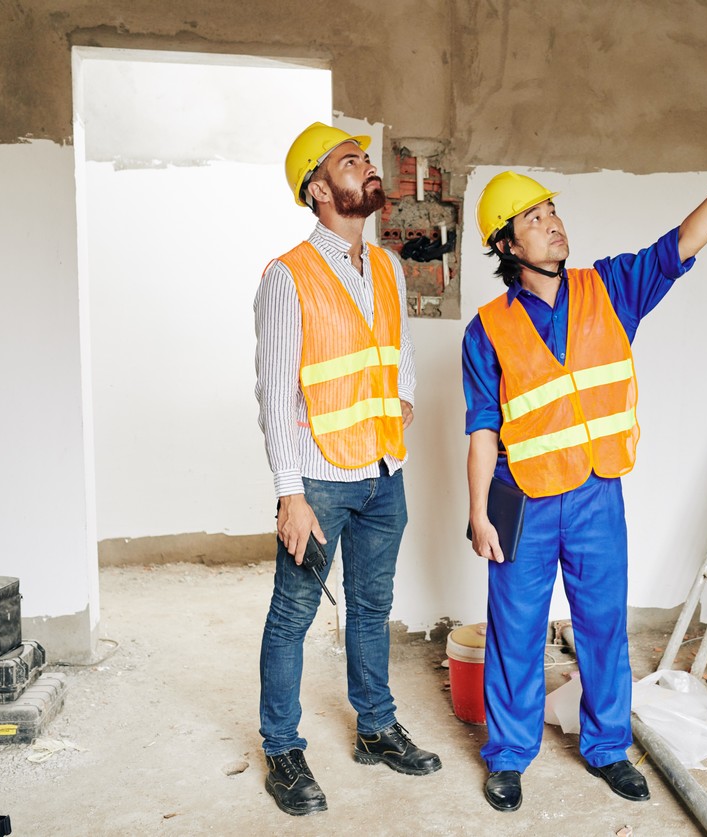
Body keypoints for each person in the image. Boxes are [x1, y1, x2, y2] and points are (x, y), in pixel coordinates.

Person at [462, 123, 707, 812]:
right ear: (508, 245)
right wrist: (480, 511)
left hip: (598, 492)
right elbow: (483, 428)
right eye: (535, 219)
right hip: (524, 496)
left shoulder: (607, 289)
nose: (552, 225)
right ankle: (509, 755)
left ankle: (606, 746)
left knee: (603, 623)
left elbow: (674, 252)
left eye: (553, 212)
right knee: (515, 629)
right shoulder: (486, 329)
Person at [254, 122, 442, 817]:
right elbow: (275, 393)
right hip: (320, 479)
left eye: (364, 157)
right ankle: (281, 746)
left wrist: (408, 399)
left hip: (383, 470)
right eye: (350, 160)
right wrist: (289, 495)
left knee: (371, 607)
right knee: (294, 613)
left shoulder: (387, 265)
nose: (367, 166)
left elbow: (401, 347)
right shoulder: (287, 276)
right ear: (318, 189)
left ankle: (376, 728)